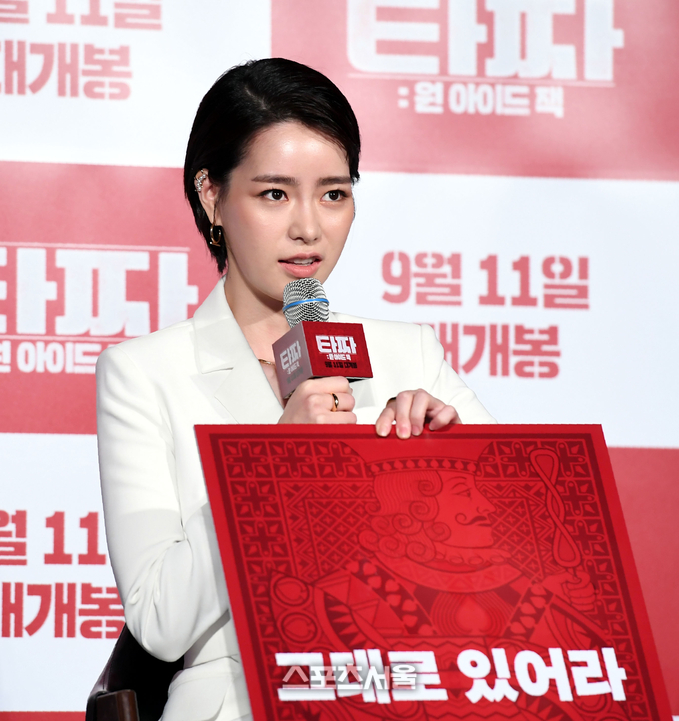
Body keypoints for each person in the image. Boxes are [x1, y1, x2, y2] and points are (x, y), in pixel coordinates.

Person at [96, 58, 495, 721]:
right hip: (240, 699)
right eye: (275, 195)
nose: (309, 227)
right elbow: (160, 620)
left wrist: (448, 461)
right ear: (211, 196)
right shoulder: (143, 373)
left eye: (333, 194)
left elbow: (513, 559)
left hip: (410, 689)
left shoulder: (408, 353)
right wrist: (271, 466)